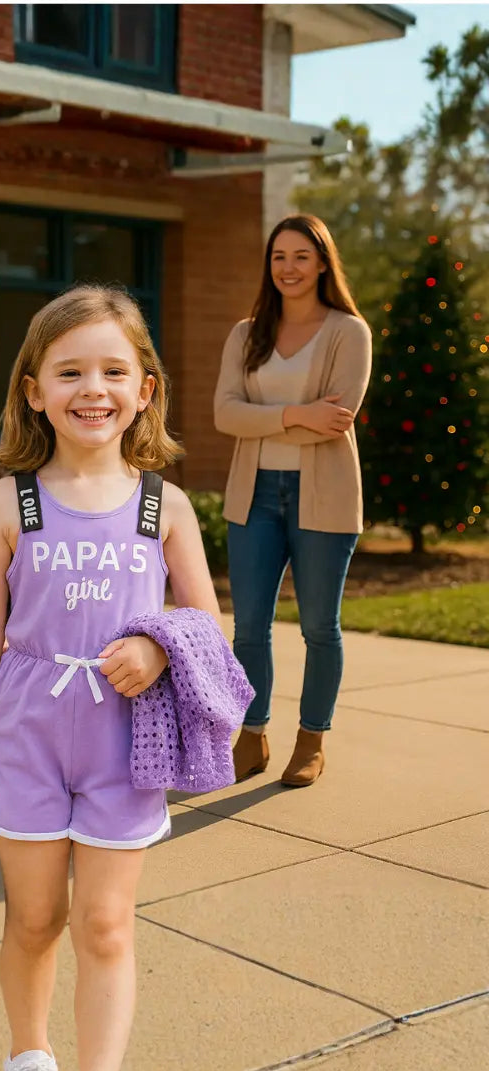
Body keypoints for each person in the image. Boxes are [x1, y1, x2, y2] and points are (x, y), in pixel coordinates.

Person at [0, 285, 222, 1071]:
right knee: (34, 920)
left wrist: (162, 652)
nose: (91, 390)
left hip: (123, 744)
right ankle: (29, 1055)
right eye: (68, 373)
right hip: (27, 741)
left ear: (145, 390)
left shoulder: (162, 507)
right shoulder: (7, 503)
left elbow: (206, 624)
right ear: (33, 392)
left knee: (104, 925)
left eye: (112, 371)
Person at [214, 214, 372, 787]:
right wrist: (298, 414)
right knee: (249, 627)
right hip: (253, 496)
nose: (289, 268)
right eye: (279, 256)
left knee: (318, 628)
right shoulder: (245, 333)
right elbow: (223, 413)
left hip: (323, 498)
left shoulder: (348, 332)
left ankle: (311, 740)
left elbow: (337, 422)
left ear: (324, 262)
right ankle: (251, 738)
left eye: (301, 256)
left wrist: (267, 422)